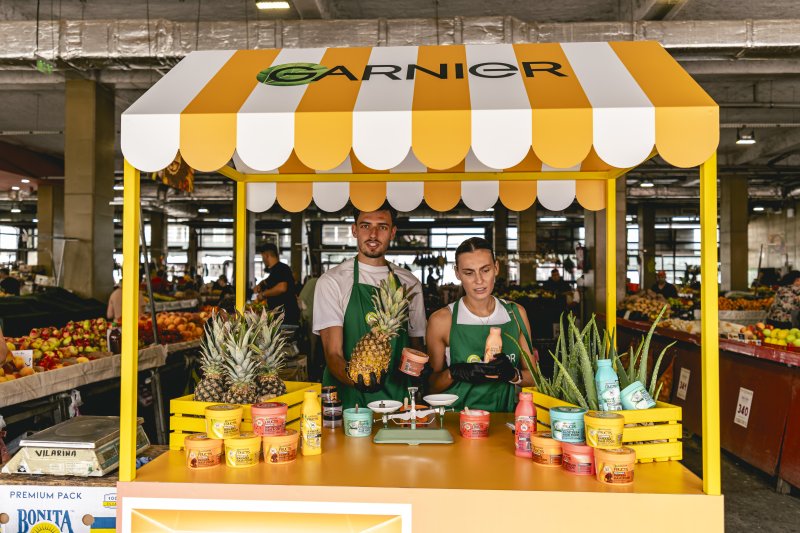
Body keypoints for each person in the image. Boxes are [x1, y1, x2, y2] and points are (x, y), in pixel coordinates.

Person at [314, 204, 426, 408]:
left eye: (382, 227)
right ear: (354, 230)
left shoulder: (410, 283)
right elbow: (333, 354)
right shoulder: (332, 281)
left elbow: (416, 346)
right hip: (348, 401)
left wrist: (419, 385)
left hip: (398, 400)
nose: (373, 234)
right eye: (366, 226)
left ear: (392, 232)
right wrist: (359, 382)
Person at [426, 237, 534, 412]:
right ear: (457, 273)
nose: (479, 280)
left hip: (503, 419)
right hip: (457, 421)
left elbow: (534, 377)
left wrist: (513, 374)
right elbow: (430, 387)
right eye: (469, 273)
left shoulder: (516, 315)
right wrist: (454, 372)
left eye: (485, 270)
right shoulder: (442, 320)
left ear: (496, 268)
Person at [256, 243, 300, 325]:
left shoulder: (282, 268)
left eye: (262, 257)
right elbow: (269, 281)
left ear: (266, 255)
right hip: (280, 317)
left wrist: (263, 294)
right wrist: (260, 285)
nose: (263, 259)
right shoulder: (275, 271)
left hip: (286, 317)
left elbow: (282, 288)